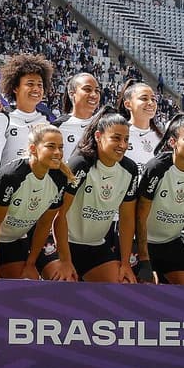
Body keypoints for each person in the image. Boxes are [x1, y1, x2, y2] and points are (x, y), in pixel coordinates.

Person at [0, 124, 71, 281]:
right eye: (51, 146)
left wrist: (30, 263)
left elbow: (44, 224)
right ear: (33, 148)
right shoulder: (12, 176)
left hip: (15, 240)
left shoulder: (59, 178)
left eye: (60, 147)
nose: (58, 152)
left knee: (30, 280)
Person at [58, 110, 139, 283]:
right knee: (65, 284)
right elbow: (59, 213)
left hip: (96, 245)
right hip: (63, 243)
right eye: (116, 138)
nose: (122, 145)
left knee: (123, 285)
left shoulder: (130, 170)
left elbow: (127, 219)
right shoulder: (80, 164)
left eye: (126, 139)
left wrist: (125, 263)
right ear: (98, 136)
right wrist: (65, 261)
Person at [136, 116, 184, 285]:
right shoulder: (157, 168)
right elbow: (140, 217)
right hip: (141, 242)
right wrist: (144, 260)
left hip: (170, 242)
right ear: (173, 142)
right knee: (145, 287)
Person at [0, 53, 55, 167]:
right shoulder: (2, 116)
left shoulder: (47, 120)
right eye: (30, 84)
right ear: (15, 88)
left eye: (40, 85)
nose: (36, 89)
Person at [53, 72, 101, 159]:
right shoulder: (57, 127)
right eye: (87, 89)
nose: (94, 95)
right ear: (72, 94)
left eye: (97, 91)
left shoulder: (104, 125)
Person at [118, 80, 163, 168]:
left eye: (153, 99)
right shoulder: (118, 135)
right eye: (144, 99)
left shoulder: (162, 139)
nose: (151, 103)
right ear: (128, 104)